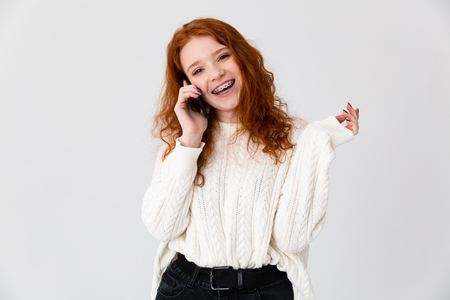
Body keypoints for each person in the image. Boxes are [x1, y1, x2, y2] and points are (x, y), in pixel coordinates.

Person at [142, 18, 360, 300]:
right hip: (187, 288)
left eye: (222, 56)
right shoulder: (183, 141)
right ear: (188, 85)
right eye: (198, 70)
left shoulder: (292, 136)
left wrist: (319, 140)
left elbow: (291, 239)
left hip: (264, 290)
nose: (216, 73)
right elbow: (162, 226)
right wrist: (191, 139)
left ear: (242, 57)